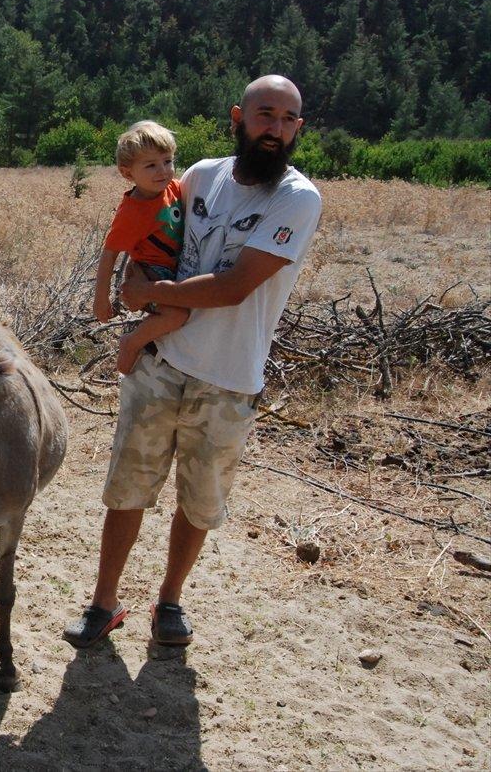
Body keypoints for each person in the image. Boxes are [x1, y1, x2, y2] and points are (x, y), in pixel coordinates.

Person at [64, 75, 322, 649]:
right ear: (240, 116)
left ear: (298, 128)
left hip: (229, 380)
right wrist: (132, 277)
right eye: (264, 114)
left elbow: (234, 287)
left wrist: (147, 298)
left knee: (198, 503)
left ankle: (169, 601)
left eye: (287, 119)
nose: (275, 129)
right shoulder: (201, 175)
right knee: (127, 489)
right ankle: (104, 602)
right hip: (162, 363)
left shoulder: (297, 199)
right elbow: (148, 232)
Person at [92, 121, 190, 374]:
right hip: (151, 272)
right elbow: (110, 253)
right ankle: (132, 343)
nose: (163, 171)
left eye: (167, 161)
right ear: (128, 173)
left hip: (176, 269)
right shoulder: (132, 212)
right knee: (177, 315)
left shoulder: (174, 188)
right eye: (151, 165)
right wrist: (101, 299)